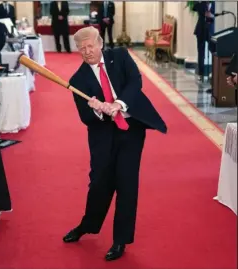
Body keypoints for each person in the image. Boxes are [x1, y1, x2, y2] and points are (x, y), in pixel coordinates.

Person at [63, 27, 167, 261]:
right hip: (103, 135)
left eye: (91, 46)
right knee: (99, 182)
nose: (88, 52)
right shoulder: (77, 80)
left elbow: (135, 82)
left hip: (131, 129)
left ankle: (120, 240)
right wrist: (98, 110)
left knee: (126, 184)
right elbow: (85, 118)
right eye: (82, 49)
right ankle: (87, 225)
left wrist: (117, 104)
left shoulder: (119, 56)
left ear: (100, 43)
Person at [193, 1, 215, 82]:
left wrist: (212, 16)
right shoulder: (200, 4)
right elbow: (194, 7)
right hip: (201, 30)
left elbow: (218, 16)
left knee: (214, 51)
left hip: (211, 31)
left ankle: (214, 72)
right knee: (201, 53)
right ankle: (200, 74)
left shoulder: (216, 4)